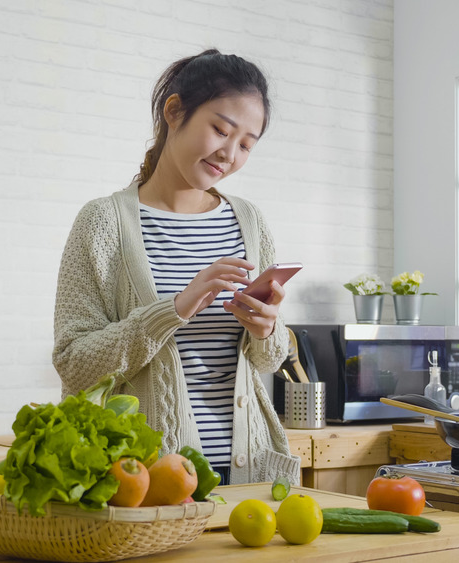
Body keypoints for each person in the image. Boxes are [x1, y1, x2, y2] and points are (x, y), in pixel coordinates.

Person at [52, 49, 300, 486]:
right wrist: (174, 309)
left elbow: (270, 358)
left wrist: (267, 329)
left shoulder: (249, 221)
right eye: (220, 130)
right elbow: (74, 362)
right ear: (174, 111)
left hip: (249, 469)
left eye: (246, 145)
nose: (229, 154)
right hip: (145, 478)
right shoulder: (103, 222)